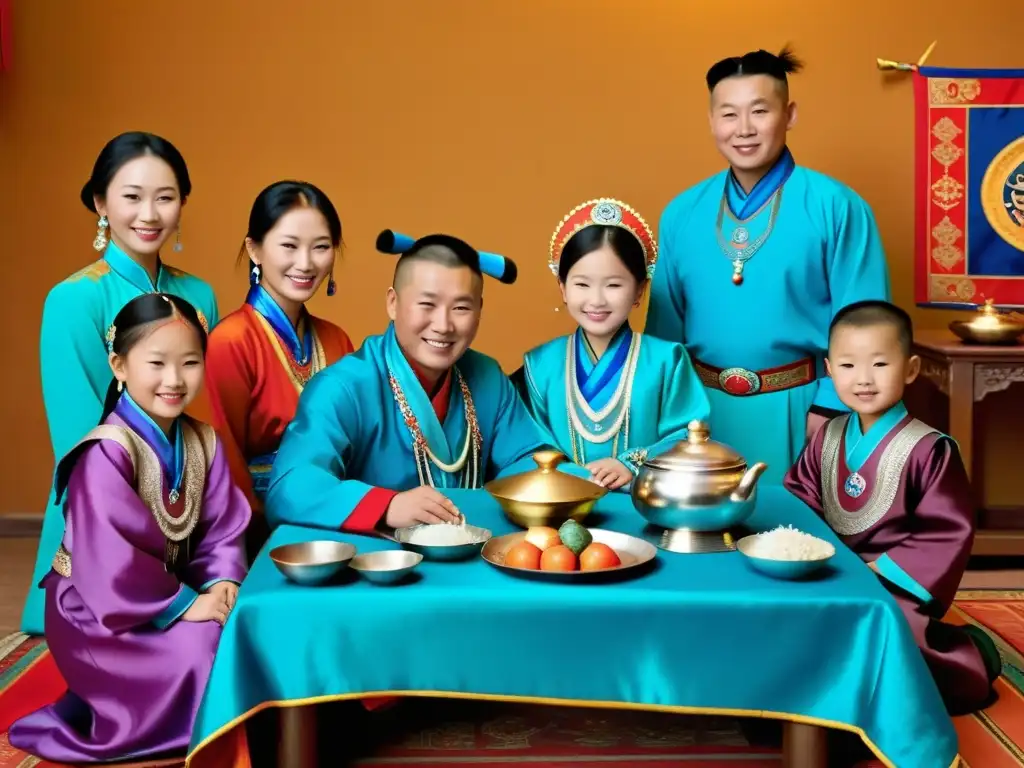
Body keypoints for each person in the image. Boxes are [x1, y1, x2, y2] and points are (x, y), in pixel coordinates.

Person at [9, 293, 250, 762]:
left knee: (240, 629)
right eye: (156, 363)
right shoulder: (105, 453)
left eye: (190, 362)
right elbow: (112, 564)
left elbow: (222, 528)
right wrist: (185, 606)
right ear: (119, 365)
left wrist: (222, 582)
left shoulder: (203, 440)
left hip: (166, 593)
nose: (174, 380)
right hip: (97, 612)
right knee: (203, 649)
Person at [645, 47, 891, 484]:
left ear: (789, 114)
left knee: (796, 542)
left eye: (760, 111)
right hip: (697, 416)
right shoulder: (680, 213)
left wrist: (831, 407)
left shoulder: (837, 207)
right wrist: (659, 419)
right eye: (728, 115)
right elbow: (663, 335)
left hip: (804, 411)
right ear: (711, 121)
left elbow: (869, 324)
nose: (743, 129)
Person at [22, 131, 221, 635]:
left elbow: (206, 421)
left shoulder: (200, 295)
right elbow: (80, 442)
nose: (149, 214)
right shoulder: (73, 300)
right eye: (131, 196)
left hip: (188, 510)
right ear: (100, 202)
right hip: (101, 526)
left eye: (165, 197)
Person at [265, 230, 587, 532]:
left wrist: (579, 481)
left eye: (461, 307)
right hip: (378, 568)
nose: (443, 325)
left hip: (470, 555)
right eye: (427, 304)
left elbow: (527, 460)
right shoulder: (343, 388)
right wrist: (387, 505)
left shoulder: (487, 377)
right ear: (393, 303)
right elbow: (291, 486)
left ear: (479, 310)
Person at [783, 300, 1000, 714]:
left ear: (911, 369)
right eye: (847, 367)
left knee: (892, 642)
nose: (863, 380)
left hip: (892, 582)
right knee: (789, 625)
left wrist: (876, 572)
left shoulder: (929, 448)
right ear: (829, 371)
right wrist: (807, 558)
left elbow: (945, 530)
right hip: (830, 572)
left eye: (880, 365)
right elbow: (800, 500)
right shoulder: (826, 436)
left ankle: (970, 654)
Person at [204, 181, 354, 558]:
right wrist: (261, 531)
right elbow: (222, 456)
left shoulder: (336, 339)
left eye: (320, 247)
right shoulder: (231, 340)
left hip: (336, 518)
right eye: (289, 246)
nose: (305, 263)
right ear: (255, 249)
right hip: (259, 533)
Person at [516, 198, 709, 490]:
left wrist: (631, 463)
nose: (596, 300)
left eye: (614, 285)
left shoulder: (667, 360)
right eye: (582, 284)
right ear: (562, 288)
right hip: (562, 503)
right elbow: (530, 441)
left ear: (640, 290)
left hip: (646, 504)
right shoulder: (539, 363)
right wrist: (578, 478)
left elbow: (689, 434)